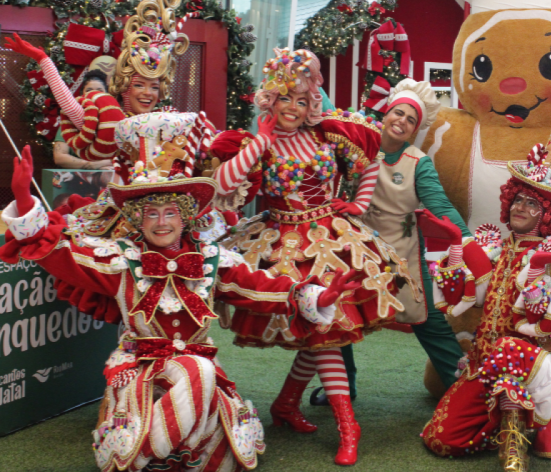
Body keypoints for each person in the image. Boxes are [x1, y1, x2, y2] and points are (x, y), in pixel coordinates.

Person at [0, 140, 359, 472]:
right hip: (140, 370)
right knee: (198, 376)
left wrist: (316, 296)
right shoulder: (122, 262)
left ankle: (140, 454)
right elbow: (61, 255)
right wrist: (25, 199)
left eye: (170, 212)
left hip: (197, 372)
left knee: (213, 430)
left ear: (185, 216)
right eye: (151, 213)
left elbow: (259, 288)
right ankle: (146, 452)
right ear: (138, 219)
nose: (161, 222)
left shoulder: (212, 261)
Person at [211, 46, 404, 466]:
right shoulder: (254, 143)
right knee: (321, 329)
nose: (295, 108)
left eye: (302, 99)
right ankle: (346, 424)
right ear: (270, 98)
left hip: (333, 239)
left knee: (320, 331)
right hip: (283, 246)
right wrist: (260, 140)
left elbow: (373, 158)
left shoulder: (328, 132)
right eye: (286, 98)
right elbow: (220, 182)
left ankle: (287, 405)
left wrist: (358, 203)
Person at [422, 119, 551, 472]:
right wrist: (452, 243)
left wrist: (546, 264)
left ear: (549, 215)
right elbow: (464, 293)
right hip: (484, 362)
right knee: (440, 438)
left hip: (527, 362)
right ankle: (499, 424)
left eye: (532, 204)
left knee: (512, 351)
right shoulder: (496, 248)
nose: (520, 208)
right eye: (518, 200)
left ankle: (514, 449)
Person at [308, 78, 492, 406]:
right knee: (338, 315)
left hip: (401, 253)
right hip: (354, 249)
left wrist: (466, 240)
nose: (402, 122)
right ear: (387, 112)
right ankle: (342, 388)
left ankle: (463, 392)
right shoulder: (359, 141)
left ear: (414, 129)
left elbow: (440, 205)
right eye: (399, 113)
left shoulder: (418, 162)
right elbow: (327, 114)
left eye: (410, 120)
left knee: (427, 319)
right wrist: (312, 81)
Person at [3, 0, 214, 168]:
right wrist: (43, 60)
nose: (147, 93)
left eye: (154, 87)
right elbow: (68, 103)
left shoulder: (169, 121)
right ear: (124, 88)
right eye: (139, 85)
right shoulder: (111, 119)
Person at [53, 71, 115, 170]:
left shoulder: (115, 123)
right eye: (89, 90)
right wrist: (92, 165)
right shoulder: (70, 122)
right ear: (82, 95)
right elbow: (59, 157)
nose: (94, 95)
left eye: (99, 91)